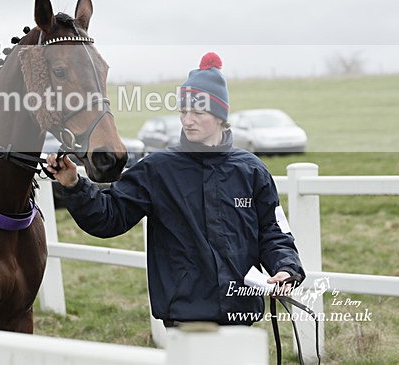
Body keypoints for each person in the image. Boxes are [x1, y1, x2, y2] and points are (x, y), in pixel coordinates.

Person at [46, 52, 305, 326]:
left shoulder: (251, 170)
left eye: (197, 112)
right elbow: (109, 217)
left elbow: (274, 232)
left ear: (220, 116)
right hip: (185, 317)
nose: (187, 120)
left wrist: (286, 268)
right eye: (183, 111)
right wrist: (75, 184)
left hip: (241, 314)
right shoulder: (157, 169)